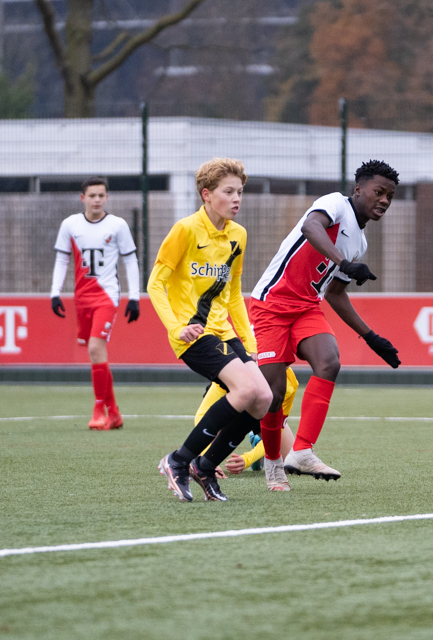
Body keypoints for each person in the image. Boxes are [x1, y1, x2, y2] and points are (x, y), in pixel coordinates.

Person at [249, 160, 401, 489]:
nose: (384, 200)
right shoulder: (334, 204)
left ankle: (302, 451)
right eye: (379, 192)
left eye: (390, 195)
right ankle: (273, 463)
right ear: (358, 189)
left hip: (306, 307)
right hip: (271, 304)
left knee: (329, 362)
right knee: (272, 396)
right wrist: (343, 261)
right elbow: (310, 229)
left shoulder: (360, 243)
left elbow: (335, 293)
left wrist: (371, 337)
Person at [148, 157, 273, 502]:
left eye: (240, 192)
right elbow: (155, 285)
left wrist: (248, 342)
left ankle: (204, 468)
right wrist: (176, 327)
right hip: (193, 332)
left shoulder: (238, 235)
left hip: (225, 333)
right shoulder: (185, 230)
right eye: (228, 192)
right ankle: (178, 460)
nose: (237, 199)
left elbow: (232, 293)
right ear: (207, 194)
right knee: (246, 391)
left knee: (263, 398)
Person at [51, 177, 141, 430]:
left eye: (101, 195)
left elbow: (130, 261)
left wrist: (134, 297)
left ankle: (98, 409)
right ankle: (114, 413)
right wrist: (54, 293)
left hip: (107, 296)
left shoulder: (117, 225)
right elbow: (62, 260)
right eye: (92, 195)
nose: (97, 200)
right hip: (81, 299)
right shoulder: (70, 225)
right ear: (83, 198)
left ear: (107, 197)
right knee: (97, 353)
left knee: (94, 347)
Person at [195, 368, 298, 475]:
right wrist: (206, 459)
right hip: (232, 408)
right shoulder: (233, 369)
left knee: (291, 463)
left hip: (263, 415)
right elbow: (203, 416)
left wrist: (247, 459)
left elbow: (276, 432)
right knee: (211, 428)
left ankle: (258, 440)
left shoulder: (288, 385)